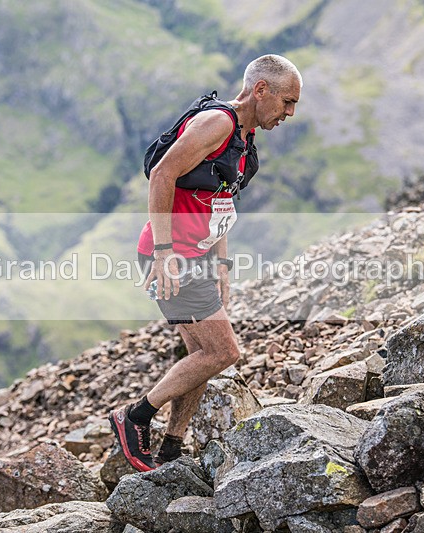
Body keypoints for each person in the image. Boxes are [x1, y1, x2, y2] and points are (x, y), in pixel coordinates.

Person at [108, 54, 302, 472]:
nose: (289, 113)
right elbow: (162, 175)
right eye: (287, 102)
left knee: (200, 354)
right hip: (171, 255)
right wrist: (163, 255)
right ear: (261, 89)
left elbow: (220, 204)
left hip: (197, 257)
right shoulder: (219, 124)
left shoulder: (244, 142)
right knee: (223, 351)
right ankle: (135, 417)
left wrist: (223, 266)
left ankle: (171, 448)